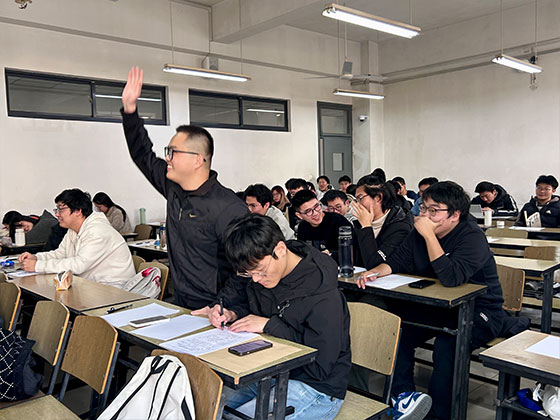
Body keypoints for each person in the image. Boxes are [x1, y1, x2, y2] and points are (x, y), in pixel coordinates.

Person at [357, 181, 529, 420]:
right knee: (398, 330)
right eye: (423, 208)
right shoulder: (418, 234)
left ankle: (440, 414)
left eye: (434, 211)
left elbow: (451, 277)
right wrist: (376, 272)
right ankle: (404, 398)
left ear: (455, 215)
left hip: (480, 309)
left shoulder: (472, 237)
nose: (425, 216)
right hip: (441, 307)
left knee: (448, 345)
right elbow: (396, 261)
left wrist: (429, 236)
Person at [120, 67, 248, 310]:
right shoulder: (174, 189)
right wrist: (130, 111)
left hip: (215, 309)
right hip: (182, 302)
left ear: (198, 160)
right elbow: (143, 155)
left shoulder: (229, 208)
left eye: (173, 152)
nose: (167, 158)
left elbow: (245, 270)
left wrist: (220, 306)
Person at [208, 214, 351, 420]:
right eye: (249, 274)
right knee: (206, 402)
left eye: (260, 271)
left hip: (317, 388)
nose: (255, 279)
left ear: (281, 250)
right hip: (268, 372)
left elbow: (319, 366)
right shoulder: (267, 270)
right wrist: (233, 313)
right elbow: (261, 310)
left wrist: (269, 325)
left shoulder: (323, 294)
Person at [18, 189, 135, 289]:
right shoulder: (73, 230)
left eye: (61, 209)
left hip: (113, 289)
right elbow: (61, 254)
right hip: (90, 285)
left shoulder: (97, 232)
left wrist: (38, 266)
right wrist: (36, 258)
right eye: (56, 210)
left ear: (78, 211)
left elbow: (79, 265)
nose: (57, 214)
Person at [352, 182, 413, 269]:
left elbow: (374, 264)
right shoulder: (360, 222)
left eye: (360, 198)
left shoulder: (400, 227)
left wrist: (366, 227)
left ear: (378, 198)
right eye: (356, 200)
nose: (358, 204)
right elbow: (353, 255)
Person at [292, 189, 352, 263]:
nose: (315, 213)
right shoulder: (302, 227)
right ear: (299, 215)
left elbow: (352, 251)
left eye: (316, 206)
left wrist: (331, 255)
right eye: (308, 211)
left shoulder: (339, 221)